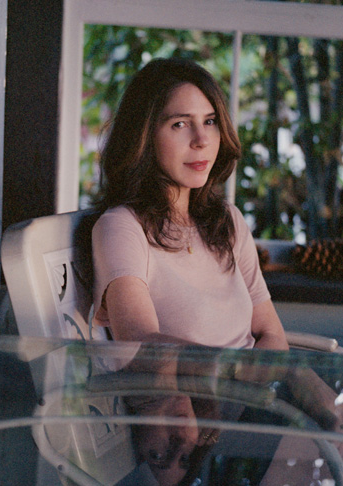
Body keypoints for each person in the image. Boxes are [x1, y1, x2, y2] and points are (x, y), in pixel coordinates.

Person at [91, 57, 288, 351]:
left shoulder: (228, 220)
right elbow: (140, 345)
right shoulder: (122, 226)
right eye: (180, 124)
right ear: (143, 136)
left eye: (210, 121)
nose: (201, 140)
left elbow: (272, 333)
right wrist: (234, 371)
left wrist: (258, 373)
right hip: (196, 381)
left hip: (253, 377)